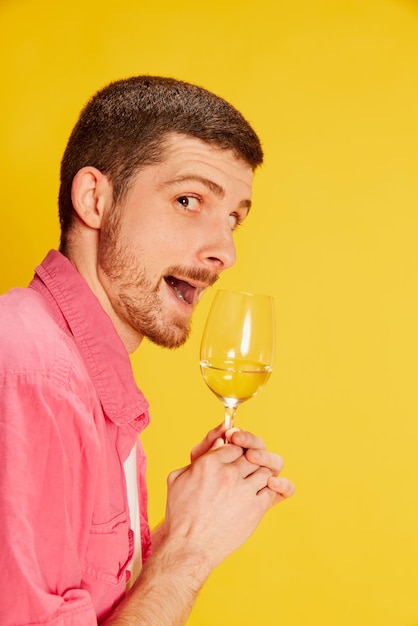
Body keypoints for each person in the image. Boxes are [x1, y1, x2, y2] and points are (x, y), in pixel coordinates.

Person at [0, 76, 294, 625]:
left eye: (233, 217)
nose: (224, 251)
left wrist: (176, 531)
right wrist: (190, 552)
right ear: (95, 199)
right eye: (189, 200)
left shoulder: (85, 377)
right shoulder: (33, 375)